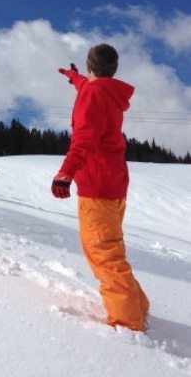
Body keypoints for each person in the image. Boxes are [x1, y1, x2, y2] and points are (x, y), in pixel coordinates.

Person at [51, 43, 149, 332]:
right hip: (113, 182)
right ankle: (137, 305)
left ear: (90, 66)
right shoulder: (105, 91)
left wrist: (65, 173)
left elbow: (83, 138)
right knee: (109, 248)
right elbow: (89, 86)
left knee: (103, 253)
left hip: (97, 186)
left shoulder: (93, 93)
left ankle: (128, 322)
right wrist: (74, 77)